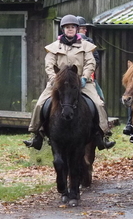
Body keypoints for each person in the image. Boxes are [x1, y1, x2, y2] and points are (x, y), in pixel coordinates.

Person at [24, 14, 115, 151]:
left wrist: (84, 77)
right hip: (59, 83)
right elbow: (49, 65)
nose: (70, 29)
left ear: (77, 29)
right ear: (63, 29)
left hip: (81, 82)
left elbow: (90, 62)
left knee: (99, 103)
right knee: (39, 104)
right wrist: (54, 79)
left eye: (73, 27)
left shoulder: (87, 46)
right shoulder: (53, 47)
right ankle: (36, 134)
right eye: (67, 27)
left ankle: (102, 135)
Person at [77, 16, 105, 100]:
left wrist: (86, 74)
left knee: (100, 99)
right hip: (69, 78)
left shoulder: (89, 42)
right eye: (83, 28)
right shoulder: (62, 42)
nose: (86, 30)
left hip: (87, 77)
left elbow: (96, 59)